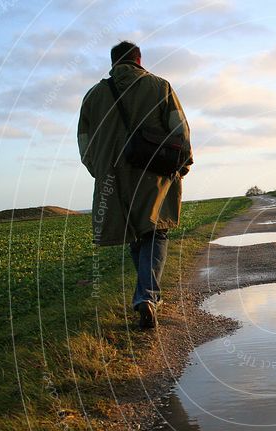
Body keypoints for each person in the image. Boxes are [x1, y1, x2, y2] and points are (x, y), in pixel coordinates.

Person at [78, 41, 192, 329]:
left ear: (113, 62)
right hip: (153, 173)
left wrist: (99, 170)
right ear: (138, 59)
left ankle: (147, 295)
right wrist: (183, 163)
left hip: (112, 178)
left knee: (134, 234)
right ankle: (147, 297)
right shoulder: (159, 86)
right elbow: (180, 128)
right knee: (156, 231)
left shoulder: (93, 95)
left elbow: (84, 143)